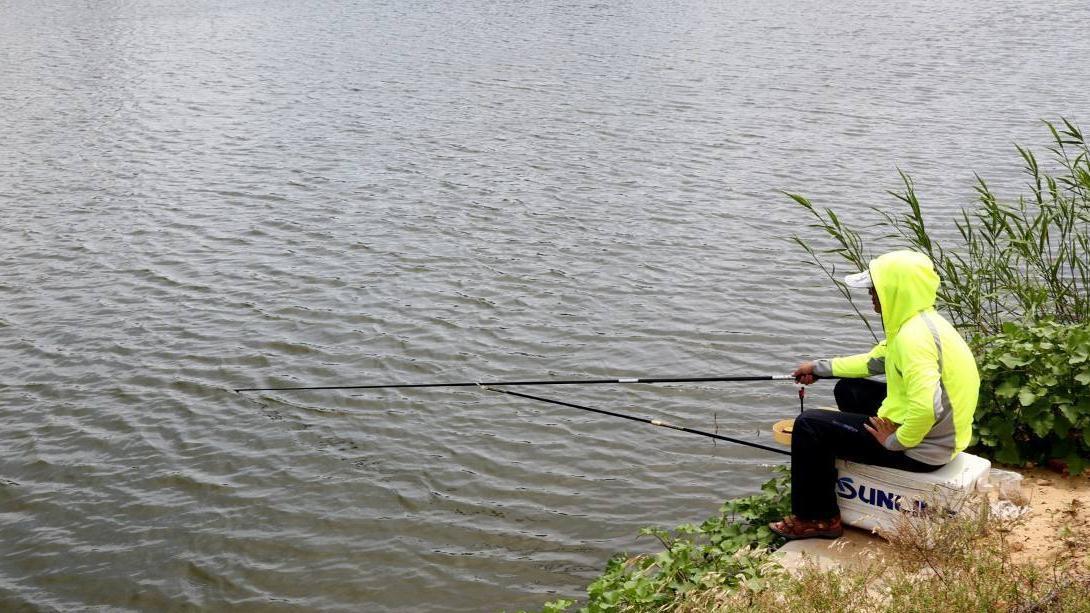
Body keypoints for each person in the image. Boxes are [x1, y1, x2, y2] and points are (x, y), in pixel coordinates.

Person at [769, 250, 980, 540]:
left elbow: (926, 408)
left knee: (809, 425)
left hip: (925, 449)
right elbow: (871, 363)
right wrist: (819, 368)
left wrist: (896, 441)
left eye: (874, 288)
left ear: (895, 290)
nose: (870, 294)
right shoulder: (920, 323)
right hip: (943, 434)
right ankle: (851, 454)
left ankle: (818, 518)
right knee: (848, 389)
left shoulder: (913, 340)